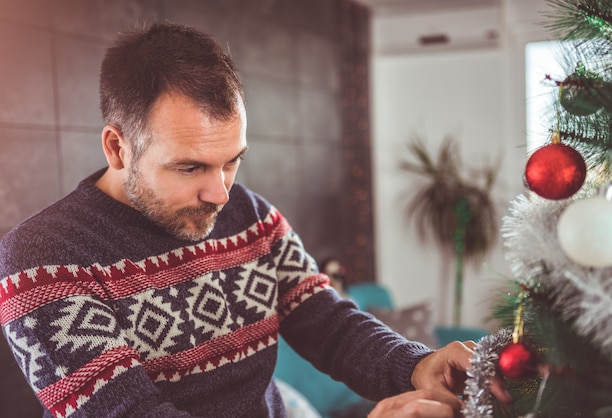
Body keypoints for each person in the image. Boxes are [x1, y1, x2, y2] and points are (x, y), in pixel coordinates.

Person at [0, 22, 509, 417]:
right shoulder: (42, 259)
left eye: (232, 160)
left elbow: (330, 325)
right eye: (190, 166)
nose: (220, 193)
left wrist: (417, 363)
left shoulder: (251, 215)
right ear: (117, 147)